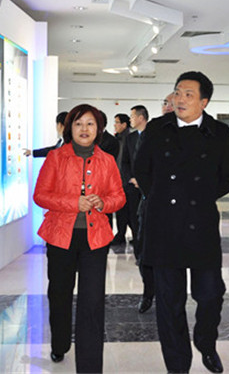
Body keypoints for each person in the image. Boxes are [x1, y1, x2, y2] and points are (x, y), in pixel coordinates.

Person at [135, 71, 229, 373]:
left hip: (201, 223)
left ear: (204, 102)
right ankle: (178, 365)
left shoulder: (220, 133)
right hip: (163, 225)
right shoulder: (157, 128)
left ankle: (206, 341)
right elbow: (142, 170)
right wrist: (160, 195)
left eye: (188, 94)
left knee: (210, 294)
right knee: (169, 302)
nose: (179, 99)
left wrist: (200, 195)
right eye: (177, 92)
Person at [33, 104, 125, 373]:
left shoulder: (107, 160)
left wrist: (103, 202)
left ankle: (90, 366)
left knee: (92, 302)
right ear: (69, 128)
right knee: (59, 294)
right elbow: (41, 195)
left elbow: (119, 197)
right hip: (60, 237)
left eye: (90, 124)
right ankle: (60, 343)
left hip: (95, 240)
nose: (84, 129)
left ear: (99, 129)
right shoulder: (56, 157)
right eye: (78, 123)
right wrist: (74, 202)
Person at [136, 93, 176, 313]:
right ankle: (148, 292)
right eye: (165, 103)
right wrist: (151, 193)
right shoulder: (153, 130)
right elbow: (141, 166)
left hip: (180, 209)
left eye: (173, 103)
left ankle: (168, 296)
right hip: (152, 203)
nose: (168, 106)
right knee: (145, 253)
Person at [120, 105, 149, 248]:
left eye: (132, 116)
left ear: (141, 118)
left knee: (148, 217)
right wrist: (131, 179)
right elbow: (124, 162)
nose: (130, 119)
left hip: (149, 186)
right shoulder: (130, 138)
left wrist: (144, 180)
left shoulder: (153, 136)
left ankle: (147, 245)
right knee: (133, 217)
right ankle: (138, 247)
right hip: (132, 185)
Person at [113, 113, 131, 244]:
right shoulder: (117, 139)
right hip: (119, 180)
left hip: (125, 180)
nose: (115, 125)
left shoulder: (128, 140)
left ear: (124, 125)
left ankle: (122, 235)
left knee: (127, 210)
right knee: (121, 210)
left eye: (117, 122)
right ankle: (120, 235)